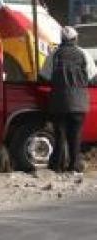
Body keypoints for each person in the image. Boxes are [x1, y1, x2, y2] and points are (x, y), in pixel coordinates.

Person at [39, 26, 97, 173]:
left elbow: (44, 76)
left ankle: (57, 166)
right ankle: (74, 165)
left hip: (59, 103)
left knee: (60, 135)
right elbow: (92, 76)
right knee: (76, 135)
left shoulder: (55, 55)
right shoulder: (83, 54)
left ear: (62, 39)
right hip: (79, 103)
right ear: (75, 39)